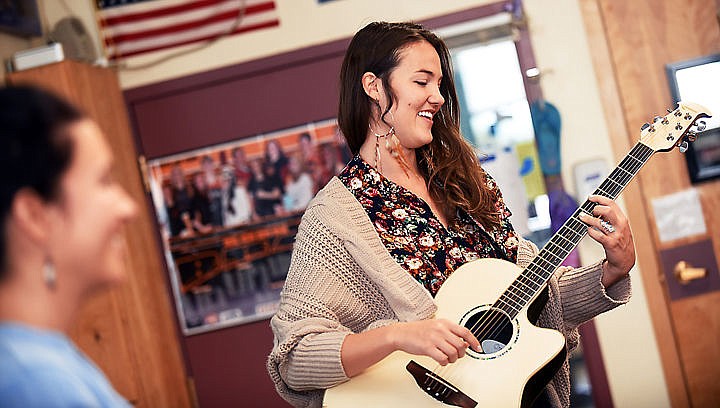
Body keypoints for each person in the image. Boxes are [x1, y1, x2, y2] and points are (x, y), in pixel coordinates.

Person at [267, 21, 635, 408]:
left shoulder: (465, 180)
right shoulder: (335, 216)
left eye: (440, 84)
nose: (438, 97)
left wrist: (612, 271)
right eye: (422, 82)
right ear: (373, 86)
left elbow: (540, 299)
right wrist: (398, 335)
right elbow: (295, 356)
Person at [0, 85, 136, 407]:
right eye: (104, 181)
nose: (128, 207)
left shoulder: (42, 358)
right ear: (35, 216)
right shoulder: (34, 383)